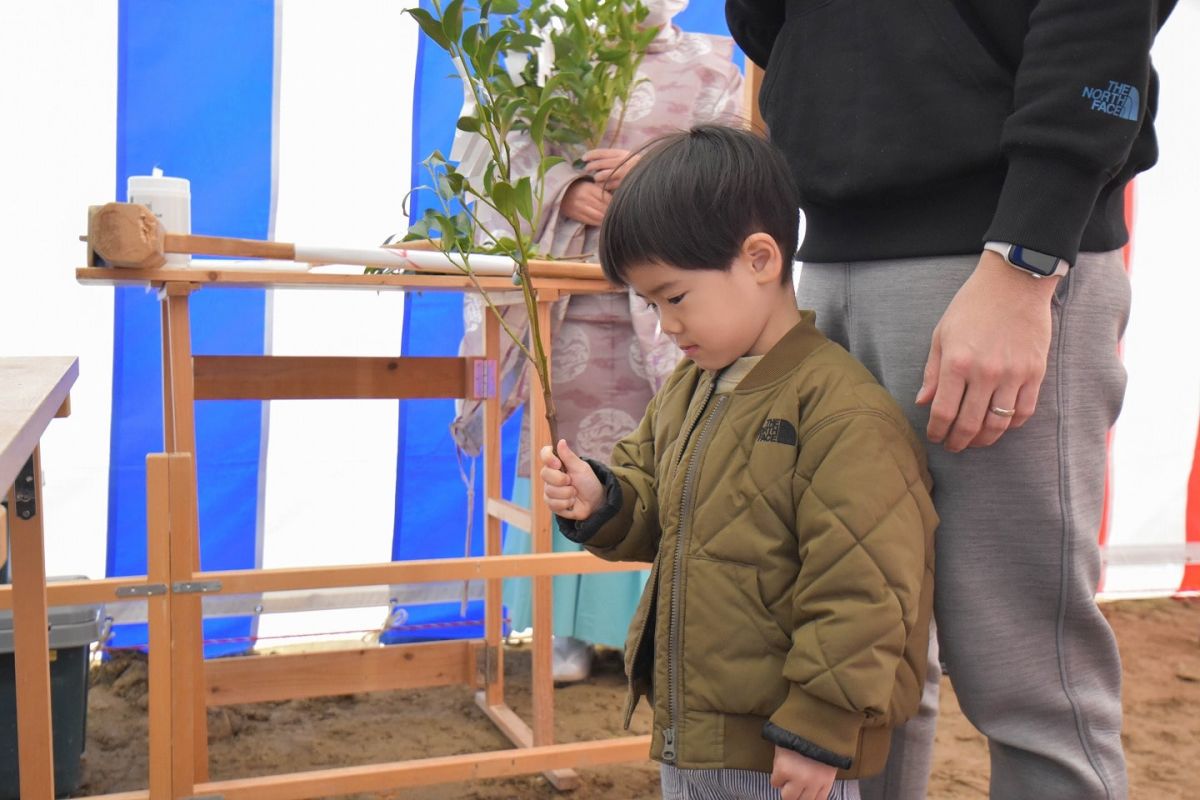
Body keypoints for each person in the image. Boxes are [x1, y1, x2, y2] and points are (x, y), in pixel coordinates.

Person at [724, 2, 1178, 798]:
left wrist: (1025, 257)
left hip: (993, 255)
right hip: (828, 250)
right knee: (859, 647)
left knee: (1025, 674)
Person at [539, 125, 938, 800]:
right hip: (695, 731)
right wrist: (604, 500)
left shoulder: (843, 412)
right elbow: (653, 496)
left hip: (786, 751)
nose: (666, 324)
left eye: (675, 297)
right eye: (649, 303)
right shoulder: (689, 388)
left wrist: (819, 728)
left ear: (759, 259)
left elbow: (865, 590)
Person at [451, 0, 743, 682]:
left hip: (668, 308)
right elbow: (492, 155)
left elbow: (732, 170)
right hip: (571, 299)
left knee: (669, 451)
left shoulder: (712, 68)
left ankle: (663, 627)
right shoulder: (548, 58)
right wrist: (566, 185)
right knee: (566, 451)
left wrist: (655, 175)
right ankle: (561, 632)